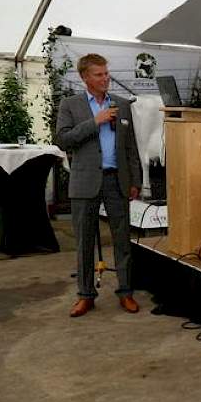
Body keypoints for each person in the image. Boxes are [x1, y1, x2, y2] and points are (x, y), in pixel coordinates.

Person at [55, 54, 142, 317]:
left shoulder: (123, 105)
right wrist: (96, 121)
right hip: (85, 182)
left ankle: (126, 292)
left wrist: (135, 180)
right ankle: (85, 295)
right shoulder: (70, 105)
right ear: (85, 78)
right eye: (99, 75)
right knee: (84, 242)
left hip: (117, 180)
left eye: (106, 74)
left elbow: (131, 147)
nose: (105, 79)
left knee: (122, 239)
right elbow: (62, 140)